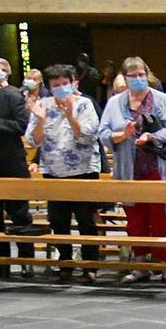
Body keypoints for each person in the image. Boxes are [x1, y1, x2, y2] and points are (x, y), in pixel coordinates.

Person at [101, 57, 166, 285]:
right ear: (125, 78)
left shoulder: (160, 99)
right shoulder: (115, 102)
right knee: (135, 221)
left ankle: (165, 267)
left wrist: (152, 137)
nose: (138, 79)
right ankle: (140, 266)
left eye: (141, 74)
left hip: (159, 167)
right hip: (129, 170)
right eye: (132, 75)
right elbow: (103, 132)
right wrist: (121, 136)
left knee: (162, 219)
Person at [28, 63, 102, 283]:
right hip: (53, 171)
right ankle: (65, 264)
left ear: (73, 83)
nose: (60, 88)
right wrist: (40, 119)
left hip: (84, 170)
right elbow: (33, 140)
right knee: (59, 222)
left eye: (64, 83)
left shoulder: (84, 104)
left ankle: (90, 265)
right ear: (49, 87)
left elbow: (88, 136)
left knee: (85, 221)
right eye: (55, 85)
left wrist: (70, 116)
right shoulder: (42, 105)